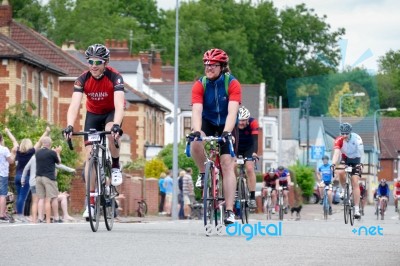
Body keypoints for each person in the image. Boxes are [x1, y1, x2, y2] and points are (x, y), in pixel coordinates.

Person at [63, 43, 125, 219]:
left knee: (110, 131)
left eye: (98, 62)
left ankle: (114, 166)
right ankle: (90, 204)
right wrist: (69, 125)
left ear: (105, 63)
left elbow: (120, 104)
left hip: (111, 113)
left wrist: (116, 125)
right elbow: (74, 105)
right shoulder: (82, 79)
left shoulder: (115, 77)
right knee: (90, 157)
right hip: (93, 115)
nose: (93, 65)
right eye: (90, 61)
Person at [189, 48, 241, 225]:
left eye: (213, 65)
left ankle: (229, 210)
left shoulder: (232, 83)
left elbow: (233, 112)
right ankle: (203, 173)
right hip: (208, 122)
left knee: (227, 164)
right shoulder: (200, 84)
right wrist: (197, 130)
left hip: (227, 124)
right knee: (195, 142)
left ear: (222, 67)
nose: (208, 67)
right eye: (206, 64)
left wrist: (227, 132)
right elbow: (196, 110)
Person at [5, 127, 49, 222]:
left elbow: (14, 140)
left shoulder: (18, 151)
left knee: (19, 195)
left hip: (17, 176)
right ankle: (20, 215)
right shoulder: (31, 152)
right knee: (22, 197)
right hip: (25, 177)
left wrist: (8, 132)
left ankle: (18, 214)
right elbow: (40, 141)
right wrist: (46, 132)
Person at [331, 122, 364, 218]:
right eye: (342, 133)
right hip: (345, 159)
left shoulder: (357, 139)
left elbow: (362, 153)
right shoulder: (339, 140)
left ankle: (357, 210)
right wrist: (333, 164)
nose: (344, 135)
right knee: (340, 171)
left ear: (350, 132)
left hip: (356, 159)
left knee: (355, 181)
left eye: (346, 133)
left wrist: (361, 164)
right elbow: (336, 153)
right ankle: (344, 189)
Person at [236, 106, 259, 210]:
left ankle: (252, 197)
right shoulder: (232, 123)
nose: (241, 123)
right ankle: (236, 186)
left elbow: (255, 140)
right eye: (240, 120)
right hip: (236, 147)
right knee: (231, 166)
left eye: (244, 121)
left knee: (249, 168)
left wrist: (254, 153)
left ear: (248, 120)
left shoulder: (253, 123)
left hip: (248, 148)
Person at [35, 136, 62, 223]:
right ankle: (56, 217)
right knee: (53, 197)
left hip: (38, 177)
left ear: (43, 143)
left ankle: (40, 217)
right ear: (50, 144)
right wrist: (57, 152)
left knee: (41, 198)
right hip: (49, 178)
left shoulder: (37, 152)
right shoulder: (52, 153)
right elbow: (59, 162)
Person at [0, 133, 16, 222]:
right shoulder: (4, 149)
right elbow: (11, 161)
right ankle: (1, 215)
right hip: (2, 174)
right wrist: (13, 153)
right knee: (2, 194)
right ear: (1, 139)